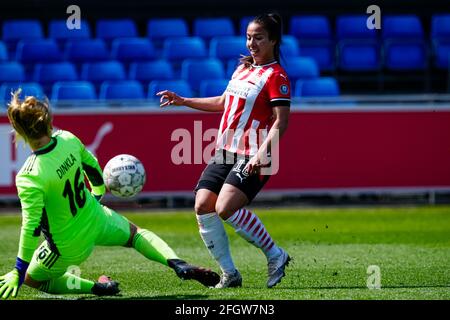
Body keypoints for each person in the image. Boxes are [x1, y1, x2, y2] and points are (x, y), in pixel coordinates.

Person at [0, 91, 220, 299]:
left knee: (32, 278)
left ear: (19, 132)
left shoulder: (29, 176)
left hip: (67, 246)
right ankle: (177, 263)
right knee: (136, 234)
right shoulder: (67, 139)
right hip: (96, 217)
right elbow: (93, 167)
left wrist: (19, 270)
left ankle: (98, 287)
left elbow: (31, 226)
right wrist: (97, 194)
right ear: (48, 121)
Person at [157, 13, 291, 288]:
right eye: (249, 37)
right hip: (226, 150)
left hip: (256, 152)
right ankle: (230, 274)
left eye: (259, 38)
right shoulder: (242, 69)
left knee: (225, 208)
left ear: (274, 40)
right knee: (202, 205)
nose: (252, 43)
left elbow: (281, 121)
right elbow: (222, 102)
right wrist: (184, 101)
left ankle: (276, 255)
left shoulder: (277, 76)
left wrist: (260, 154)